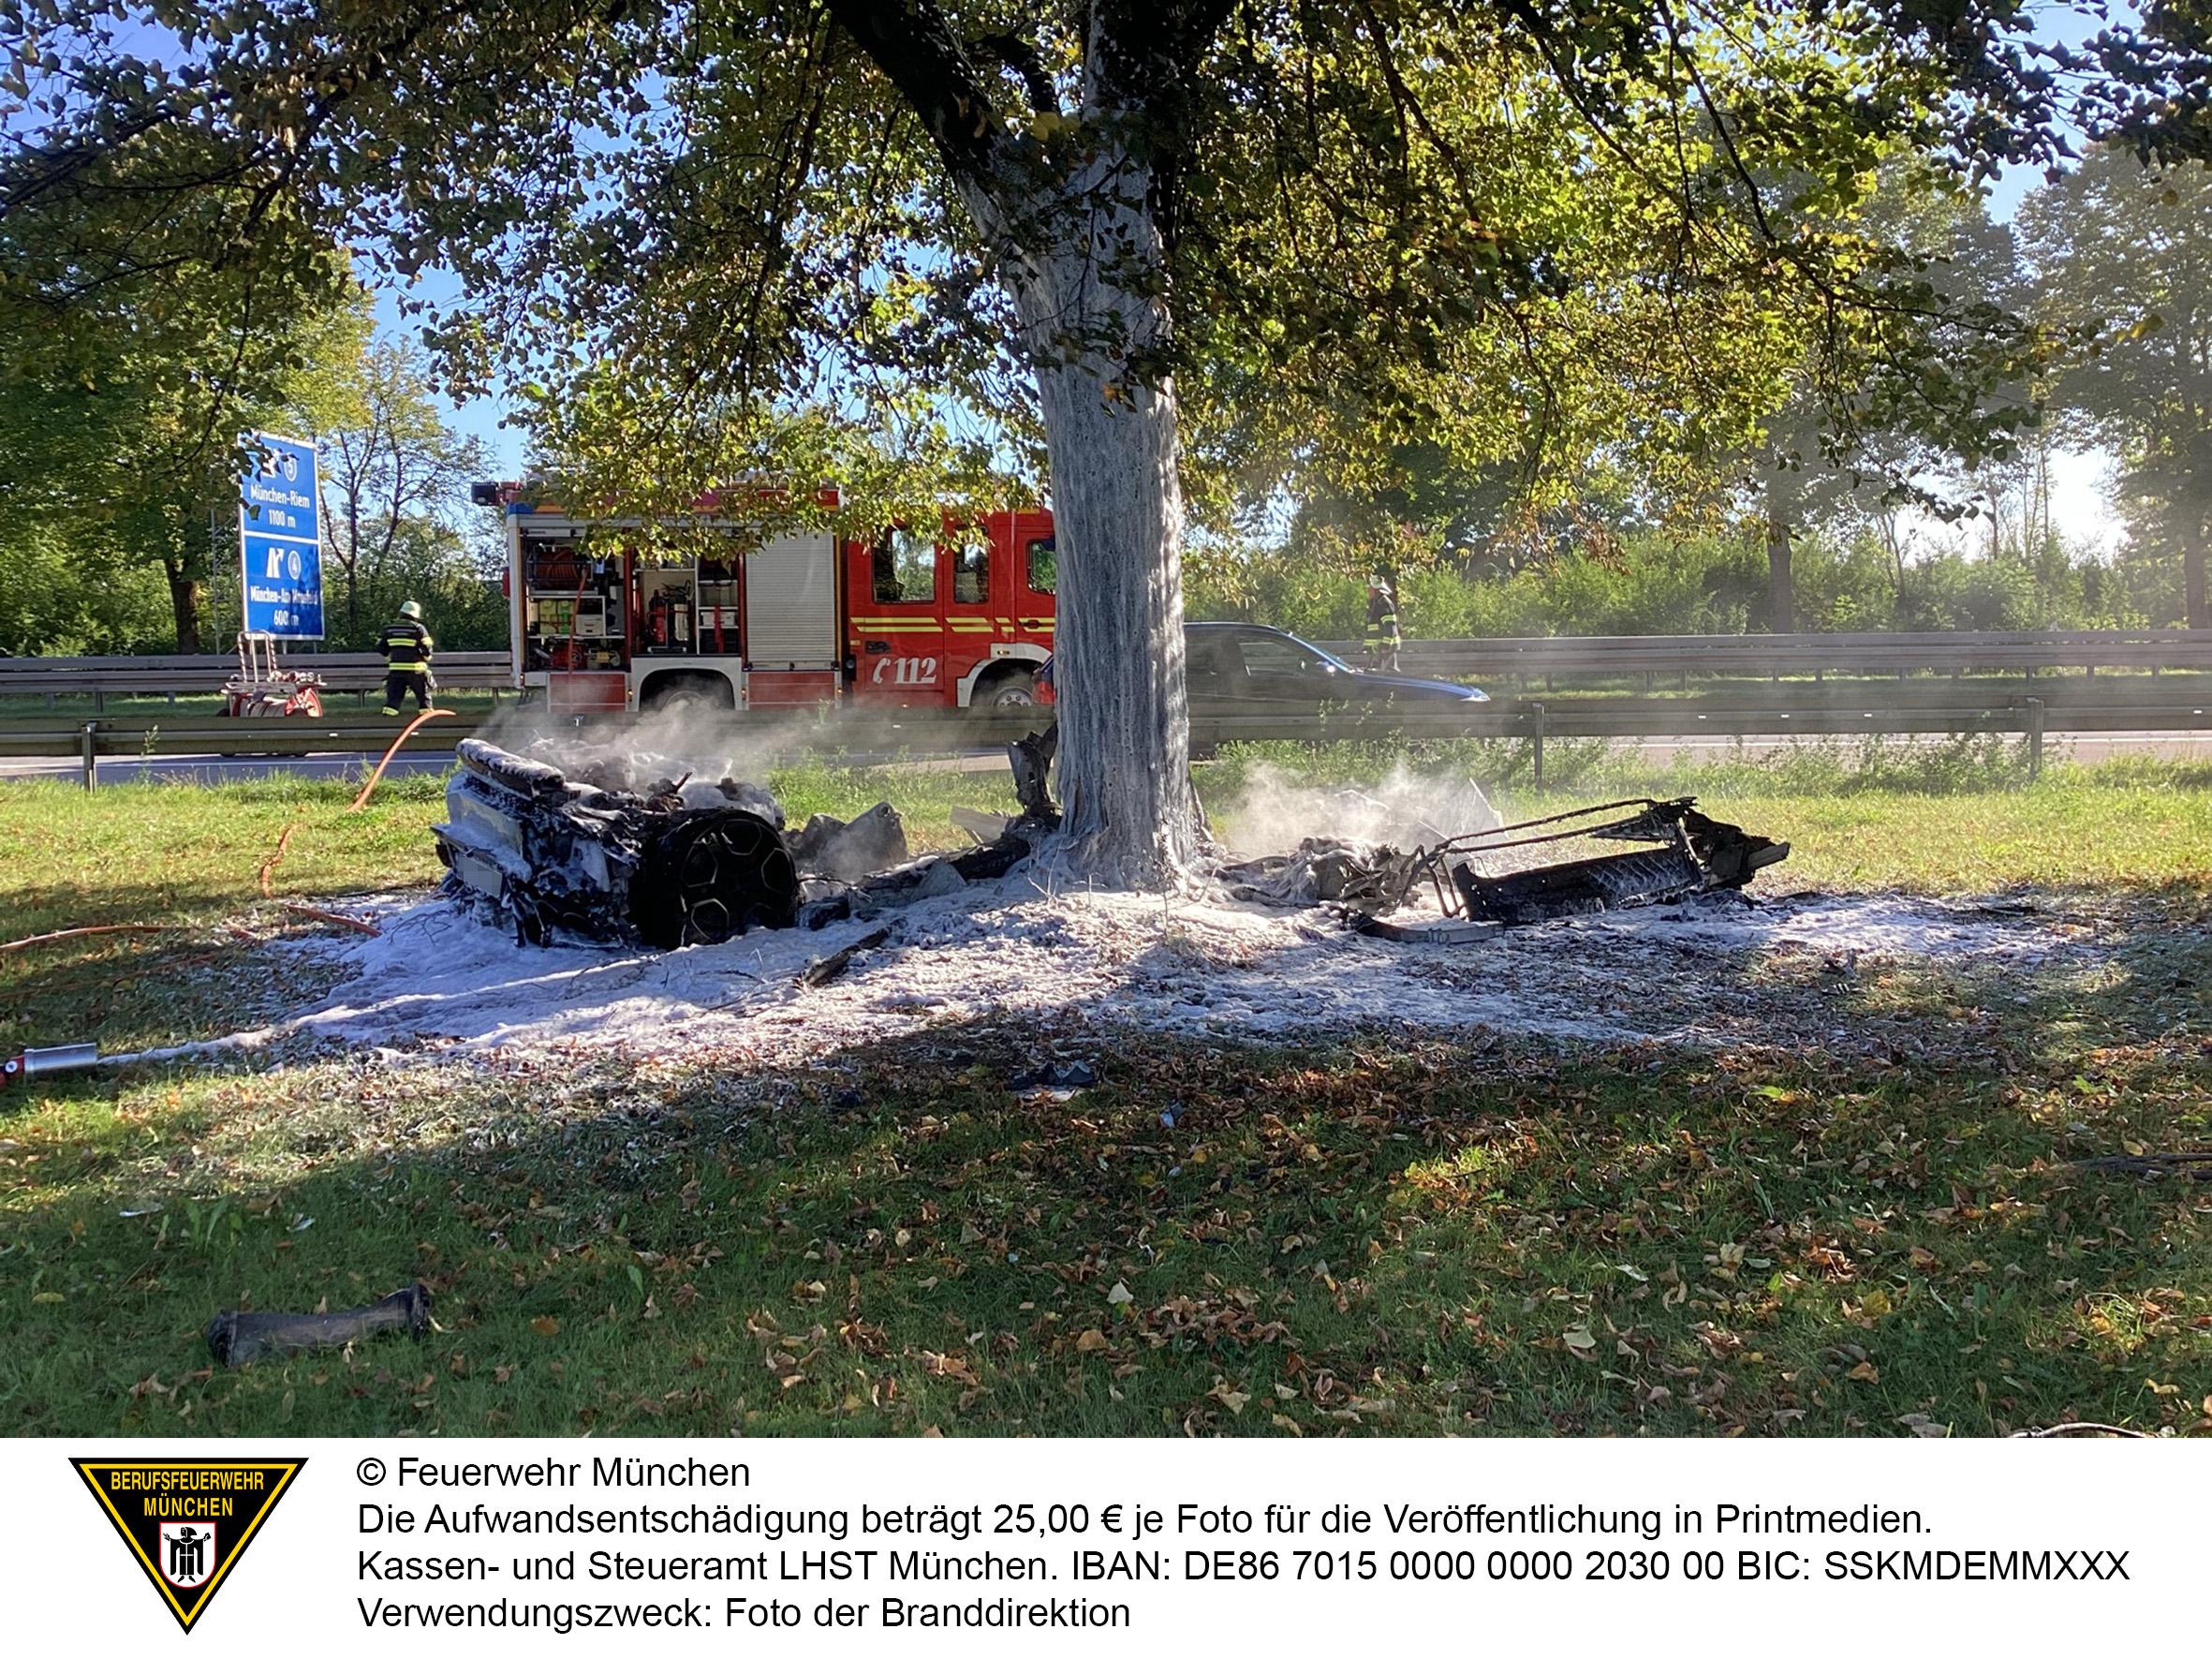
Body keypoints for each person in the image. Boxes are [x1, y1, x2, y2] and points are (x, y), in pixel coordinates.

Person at [378, 600, 436, 714]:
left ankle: (389, 723)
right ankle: (427, 723)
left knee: (393, 700)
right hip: (416, 670)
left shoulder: (389, 629)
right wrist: (426, 658)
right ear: (415, 615)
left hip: (396, 670)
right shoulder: (418, 628)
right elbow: (427, 648)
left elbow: (381, 649)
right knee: (424, 699)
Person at [1364, 574, 1401, 672]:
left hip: (1385, 650)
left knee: (1389, 675)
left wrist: (1386, 646)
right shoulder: (1376, 603)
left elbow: (1390, 627)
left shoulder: (1384, 604)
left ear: (1376, 590)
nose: (1368, 590)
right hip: (1378, 649)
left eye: (1370, 588)